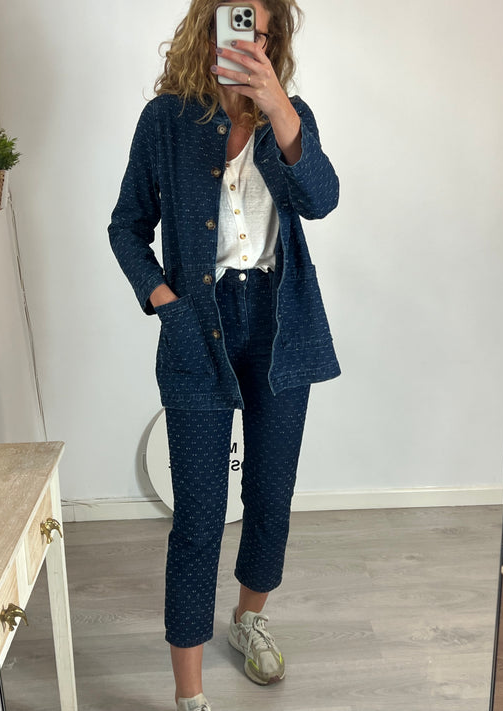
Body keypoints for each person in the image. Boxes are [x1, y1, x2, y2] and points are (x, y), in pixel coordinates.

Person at [108, 1, 340, 709]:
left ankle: (248, 619)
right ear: (206, 32)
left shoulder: (288, 116)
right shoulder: (165, 120)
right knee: (199, 516)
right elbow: (125, 226)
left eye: (260, 33)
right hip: (197, 329)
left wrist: (278, 109)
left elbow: (322, 199)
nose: (249, 42)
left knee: (270, 495)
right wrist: (163, 301)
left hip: (280, 323)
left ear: (273, 42)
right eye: (236, 27)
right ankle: (189, 693)